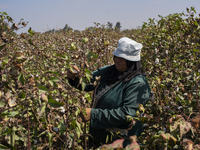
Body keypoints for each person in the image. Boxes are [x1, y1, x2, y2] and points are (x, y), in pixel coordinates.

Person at [67, 37, 151, 148]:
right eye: (116, 56)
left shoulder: (138, 83)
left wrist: (93, 114)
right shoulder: (108, 71)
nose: (117, 60)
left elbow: (127, 114)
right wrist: (74, 76)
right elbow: (86, 83)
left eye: (122, 58)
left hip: (120, 142)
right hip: (98, 137)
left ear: (132, 61)